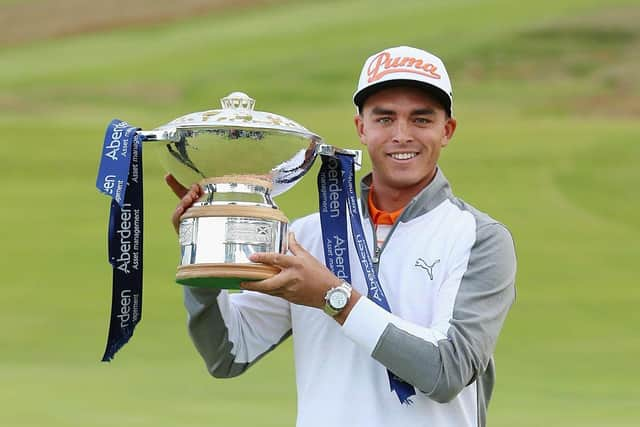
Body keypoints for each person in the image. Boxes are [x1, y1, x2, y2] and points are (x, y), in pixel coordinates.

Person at [166, 45, 516, 427]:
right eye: (384, 119)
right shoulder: (306, 235)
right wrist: (201, 249)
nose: (402, 135)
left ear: (446, 130)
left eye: (421, 119)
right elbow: (228, 353)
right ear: (361, 129)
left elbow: (447, 371)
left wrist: (332, 297)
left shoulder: (479, 238)